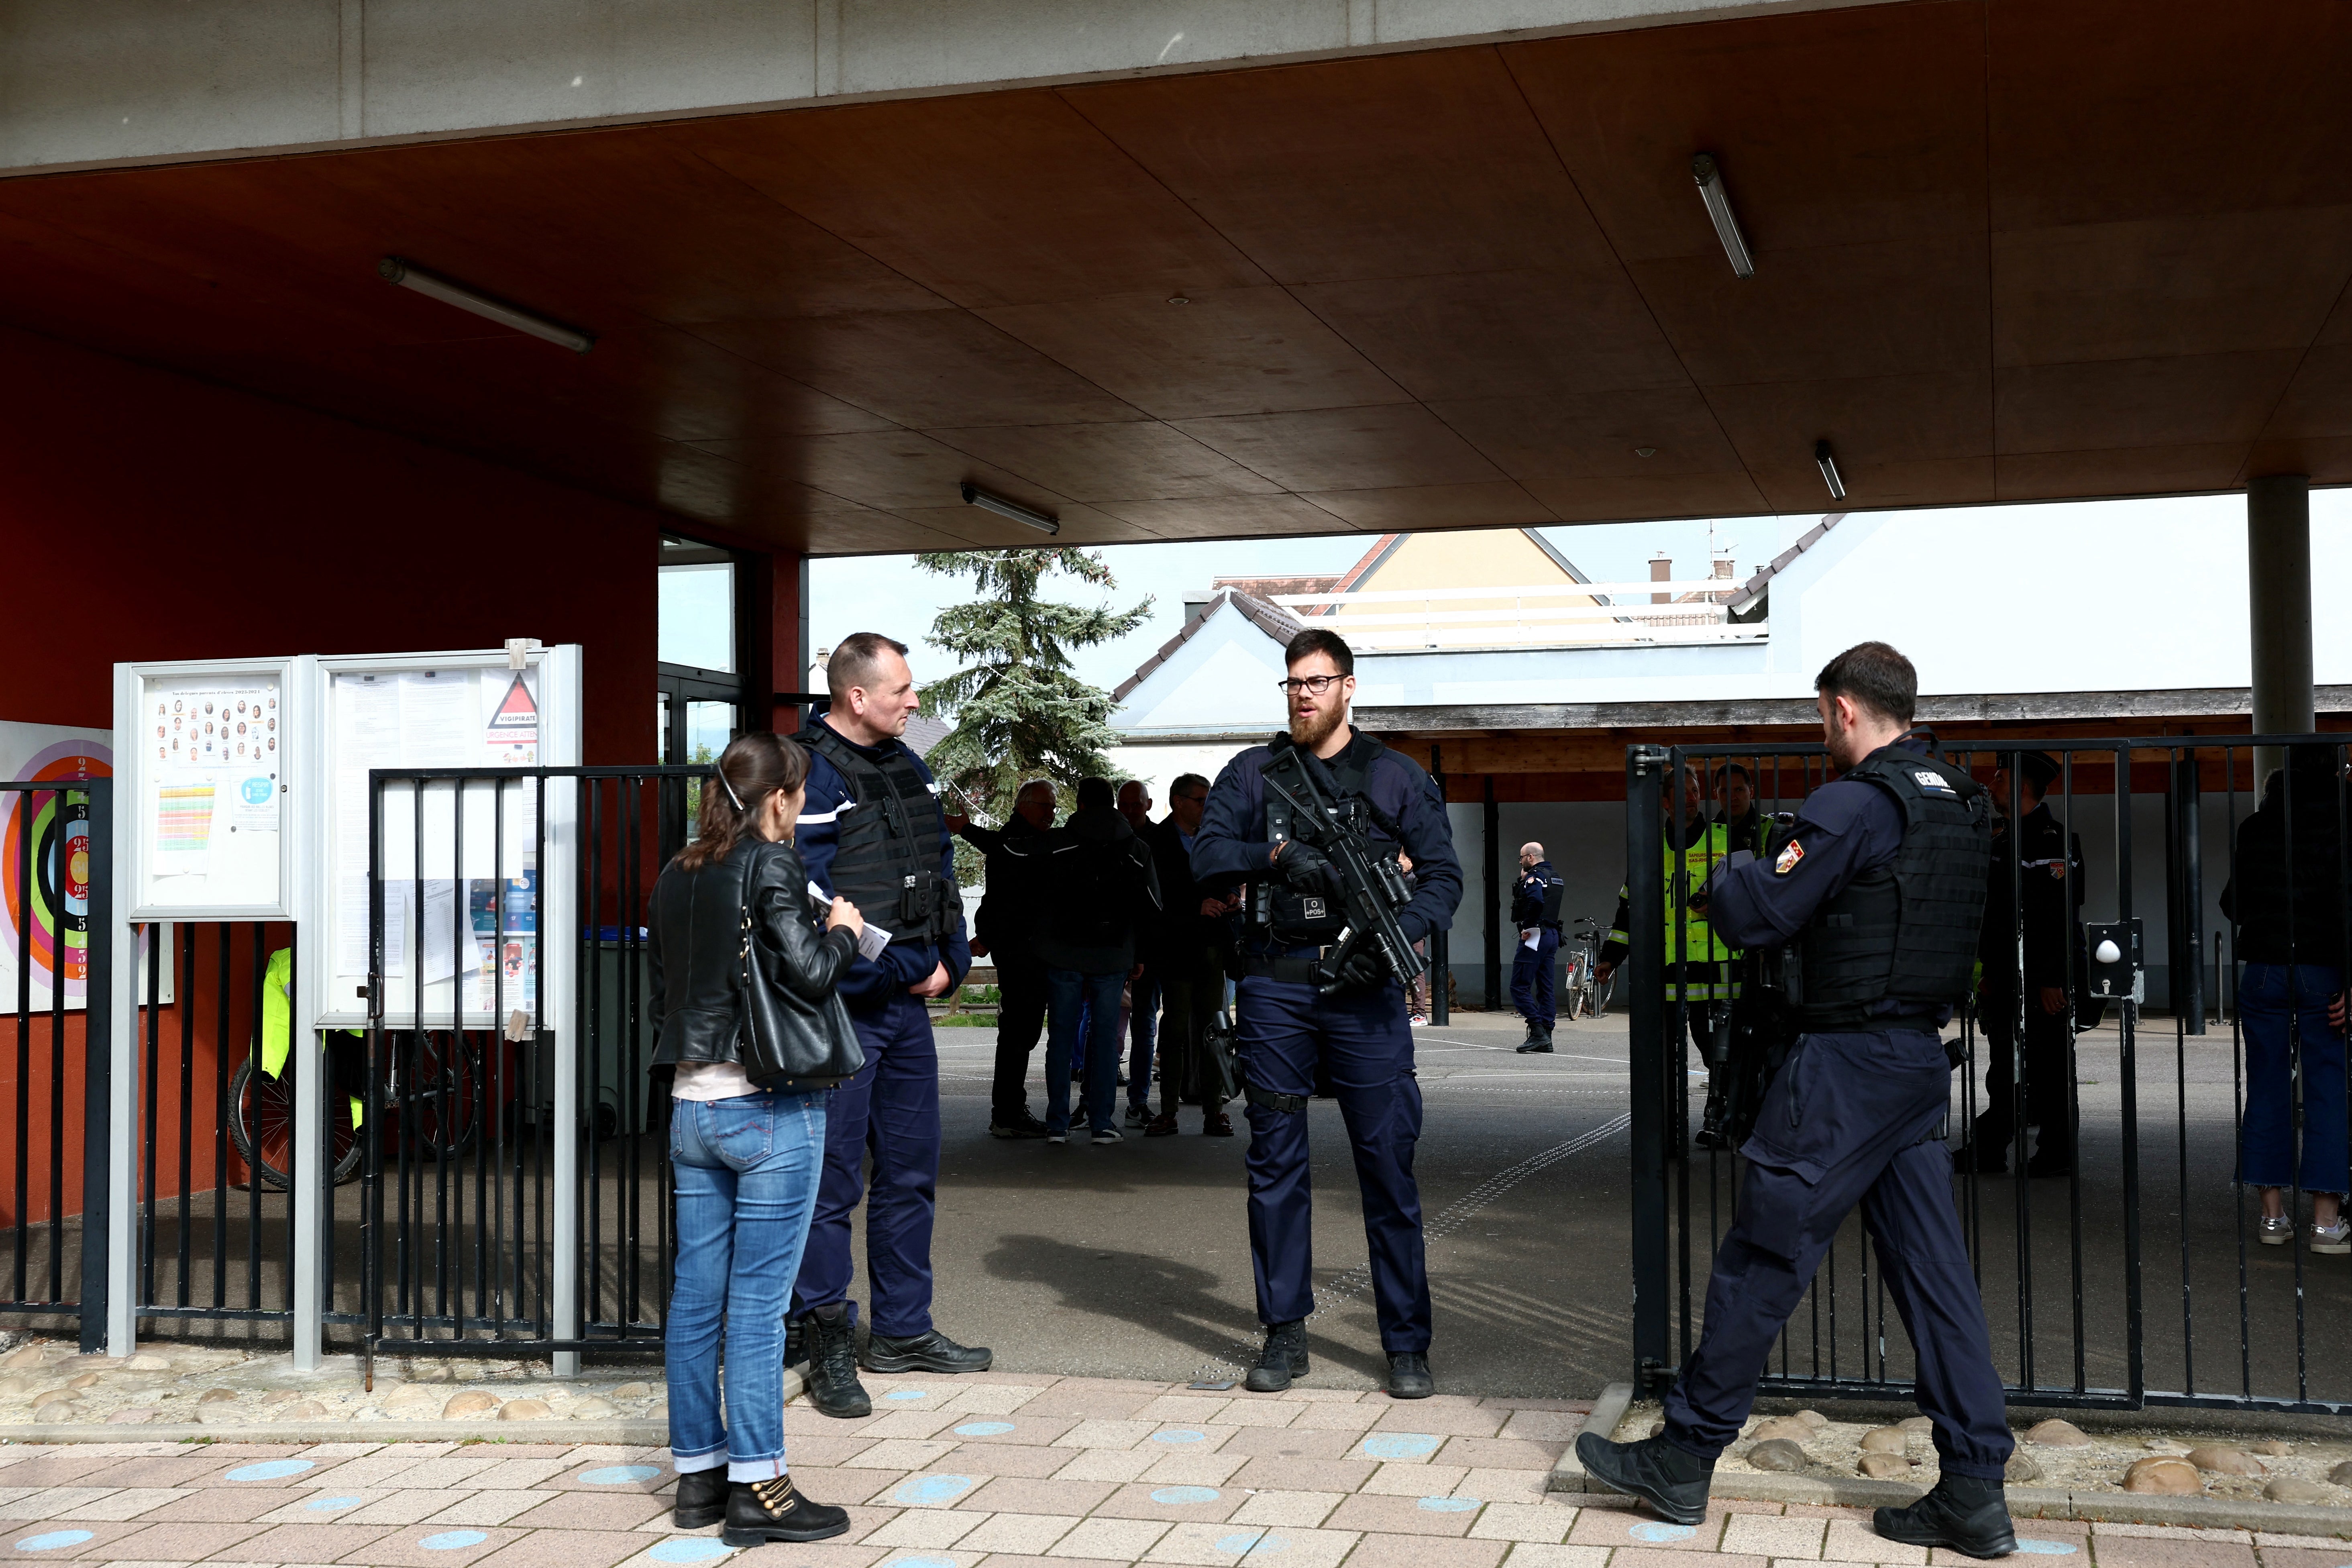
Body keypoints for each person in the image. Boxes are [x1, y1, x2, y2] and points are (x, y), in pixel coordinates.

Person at [1576, 642, 2018, 1560]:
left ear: (1845, 709)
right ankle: (1974, 1487)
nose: (1820, 731)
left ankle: (1684, 1454)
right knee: (1933, 1274)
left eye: (1821, 715)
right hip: (1911, 1059)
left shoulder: (1854, 800)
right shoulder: (1957, 797)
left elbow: (1760, 913)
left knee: (1763, 1248)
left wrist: (1726, 880)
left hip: (1843, 1063)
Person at [1192, 628, 1463, 1400]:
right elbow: (1206, 858)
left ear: (1348, 687)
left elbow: (1443, 878)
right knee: (1274, 1163)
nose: (1303, 695)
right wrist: (1274, 858)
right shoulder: (1252, 775)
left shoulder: (1396, 778)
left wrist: (1397, 937)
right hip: (1275, 986)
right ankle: (1283, 1333)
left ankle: (1405, 1344)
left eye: (1317, 682)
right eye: (1292, 684)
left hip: (1366, 993)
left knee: (1386, 1165)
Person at [650, 732, 858, 1546]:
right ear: (776, 798)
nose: (802, 806)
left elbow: (667, 982)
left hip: (692, 1102)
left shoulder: (679, 869)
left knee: (697, 1295)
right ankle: (760, 1483)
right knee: (761, 1303)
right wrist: (838, 925)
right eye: (799, 792)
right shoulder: (772, 861)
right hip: (768, 1105)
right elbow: (809, 971)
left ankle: (698, 1476)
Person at [790, 632, 990, 1419]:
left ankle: (903, 1329)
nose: (915, 700)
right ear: (856, 696)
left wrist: (949, 957)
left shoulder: (908, 761)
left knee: (910, 1171)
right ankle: (824, 1342)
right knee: (831, 1183)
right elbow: (809, 906)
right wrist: (912, 970)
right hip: (843, 1010)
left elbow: (938, 863)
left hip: (905, 1010)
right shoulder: (809, 773)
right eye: (902, 689)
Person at [2219, 744, 2350, 1254]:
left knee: (2267, 1086)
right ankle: (2324, 1224)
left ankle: (2272, 1219)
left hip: (2265, 971)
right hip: (2324, 973)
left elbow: (2233, 902)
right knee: (2326, 1091)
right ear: (2334, 772)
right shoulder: (2343, 823)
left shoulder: (2257, 826)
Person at [1007, 776, 1162, 1143]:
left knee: (1061, 1037)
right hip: (1114, 953)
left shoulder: (1059, 842)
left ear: (1079, 804)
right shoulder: (1136, 848)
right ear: (1112, 804)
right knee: (1106, 1038)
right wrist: (1140, 953)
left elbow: (1013, 854)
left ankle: (1058, 1123)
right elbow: (1154, 905)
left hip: (1062, 952)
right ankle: (1102, 1122)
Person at [1955, 750, 2084, 1178]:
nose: (1989, 785)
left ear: (2021, 787)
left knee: (2050, 1069)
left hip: (2039, 980)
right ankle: (1991, 1149)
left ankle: (2055, 1152)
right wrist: (1988, 974)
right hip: (2005, 979)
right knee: (2003, 1068)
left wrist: (2050, 980)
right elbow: (1993, 918)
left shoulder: (2051, 840)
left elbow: (2057, 915)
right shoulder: (2001, 839)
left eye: (1998, 778)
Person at [1598, 762, 1741, 1146]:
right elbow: (1629, 909)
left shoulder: (1723, 839)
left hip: (1717, 965)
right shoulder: (1649, 847)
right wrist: (1611, 956)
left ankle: (1720, 1123)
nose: (1691, 799)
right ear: (1664, 802)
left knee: (1718, 1051)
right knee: (1664, 1057)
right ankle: (1668, 1131)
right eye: (1681, 794)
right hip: (1667, 969)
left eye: (1695, 792)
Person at [950, 779, 1056, 1140]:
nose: (1052, 814)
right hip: (1021, 952)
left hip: (1021, 949)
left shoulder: (1016, 840)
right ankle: (1008, 1112)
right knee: (1018, 1032)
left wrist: (965, 828)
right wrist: (989, 937)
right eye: (1045, 806)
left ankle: (1009, 1110)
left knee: (1020, 1032)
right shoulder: (1019, 842)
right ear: (1024, 805)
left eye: (1053, 807)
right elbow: (1010, 898)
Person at [1147, 773, 1238, 1136]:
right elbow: (1155, 897)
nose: (1207, 806)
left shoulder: (1212, 837)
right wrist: (1195, 908)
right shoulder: (1156, 840)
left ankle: (1214, 1110)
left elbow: (1225, 876)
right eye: (1201, 800)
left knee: (1215, 1028)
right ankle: (1168, 1111)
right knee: (1174, 1030)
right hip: (1177, 946)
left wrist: (1230, 895)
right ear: (1178, 802)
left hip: (1213, 946)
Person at [1117, 779, 1162, 1129]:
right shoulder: (1109, 839)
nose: (1130, 810)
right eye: (1125, 804)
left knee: (1145, 1028)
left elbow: (1159, 905)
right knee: (1104, 1030)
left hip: (1148, 951)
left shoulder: (1161, 842)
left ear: (1149, 805)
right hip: (1113, 949)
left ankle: (1139, 1101)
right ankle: (1093, 1101)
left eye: (1136, 804)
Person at [1510, 842, 1566, 1054]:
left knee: (1519, 985)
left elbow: (1535, 901)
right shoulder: (1556, 877)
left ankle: (1537, 1031)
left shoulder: (1535, 877)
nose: (1521, 861)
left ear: (1531, 857)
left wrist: (1528, 926)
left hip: (1536, 935)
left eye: (1522, 858)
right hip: (1552, 934)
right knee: (1545, 987)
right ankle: (1547, 1036)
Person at [1715, 763, 1761, 856]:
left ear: (1751, 792)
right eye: (1725, 791)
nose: (1732, 798)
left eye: (1739, 790)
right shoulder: (1707, 833)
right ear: (1716, 795)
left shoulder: (1773, 830)